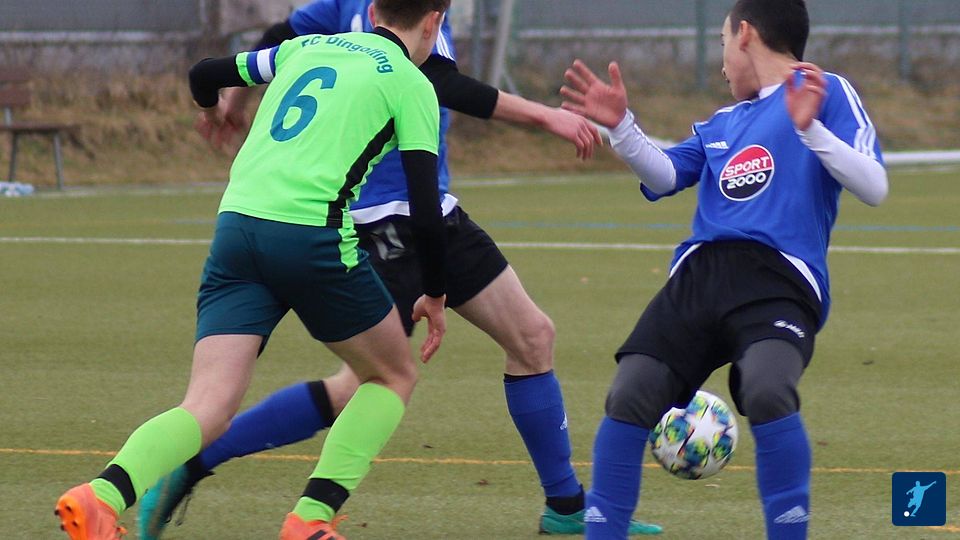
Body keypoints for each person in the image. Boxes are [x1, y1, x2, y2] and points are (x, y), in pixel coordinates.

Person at [138, 1, 663, 538]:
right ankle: (203, 463)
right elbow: (440, 82)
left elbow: (280, 33)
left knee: (532, 336)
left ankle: (566, 505)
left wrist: (235, 94)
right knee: (367, 383)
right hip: (384, 215)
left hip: (430, 211)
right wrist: (544, 115)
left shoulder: (360, 10)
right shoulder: (415, 18)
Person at [54, 1, 453, 538]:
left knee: (207, 407)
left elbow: (204, 74)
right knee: (391, 374)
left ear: (374, 9)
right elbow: (426, 210)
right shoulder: (411, 83)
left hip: (237, 230)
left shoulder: (303, 47)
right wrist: (435, 293)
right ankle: (310, 518)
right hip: (311, 237)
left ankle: (101, 495)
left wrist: (214, 110)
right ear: (434, 21)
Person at [559, 0, 888, 538]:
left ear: (746, 35)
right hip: (699, 277)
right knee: (630, 392)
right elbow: (666, 175)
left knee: (767, 388)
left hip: (778, 279)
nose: (721, 64)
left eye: (722, 43)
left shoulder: (824, 90)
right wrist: (621, 125)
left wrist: (811, 130)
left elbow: (874, 186)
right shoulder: (723, 123)